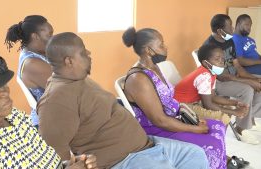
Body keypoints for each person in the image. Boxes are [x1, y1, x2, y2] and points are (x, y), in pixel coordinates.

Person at [38, 32, 209, 169]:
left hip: (147, 145)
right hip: (123, 160)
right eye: (83, 52)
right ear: (69, 61)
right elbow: (52, 153)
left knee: (196, 155)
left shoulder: (79, 79)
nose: (89, 53)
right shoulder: (56, 101)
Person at [0, 45, 97, 169]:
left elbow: (40, 161)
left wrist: (67, 165)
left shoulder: (14, 116)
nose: (4, 92)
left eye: (3, 84)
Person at [122, 27, 231, 169]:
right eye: (161, 45)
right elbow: (159, 120)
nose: (165, 48)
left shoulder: (154, 68)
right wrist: (194, 129)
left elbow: (169, 102)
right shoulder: (139, 79)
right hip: (157, 129)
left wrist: (193, 120)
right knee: (211, 141)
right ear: (149, 50)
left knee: (218, 127)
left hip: (174, 119)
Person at [203, 14, 261, 144]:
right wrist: (248, 81)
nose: (233, 29)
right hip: (217, 82)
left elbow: (237, 65)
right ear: (220, 31)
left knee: (256, 85)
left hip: (232, 78)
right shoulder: (210, 47)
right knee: (247, 90)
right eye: (230, 26)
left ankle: (249, 119)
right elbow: (222, 76)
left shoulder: (229, 41)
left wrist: (254, 79)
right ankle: (240, 128)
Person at [174, 44, 249, 126]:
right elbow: (208, 105)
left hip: (192, 102)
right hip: (181, 106)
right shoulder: (204, 76)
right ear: (205, 63)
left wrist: (236, 103)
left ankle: (216, 134)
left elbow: (213, 97)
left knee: (228, 109)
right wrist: (235, 112)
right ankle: (212, 136)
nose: (221, 62)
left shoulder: (211, 73)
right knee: (223, 117)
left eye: (222, 59)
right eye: (217, 59)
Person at [5, 15, 53, 128]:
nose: (53, 38)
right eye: (49, 35)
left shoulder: (34, 51)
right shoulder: (32, 63)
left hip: (55, 117)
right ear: (35, 36)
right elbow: (68, 87)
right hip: (48, 124)